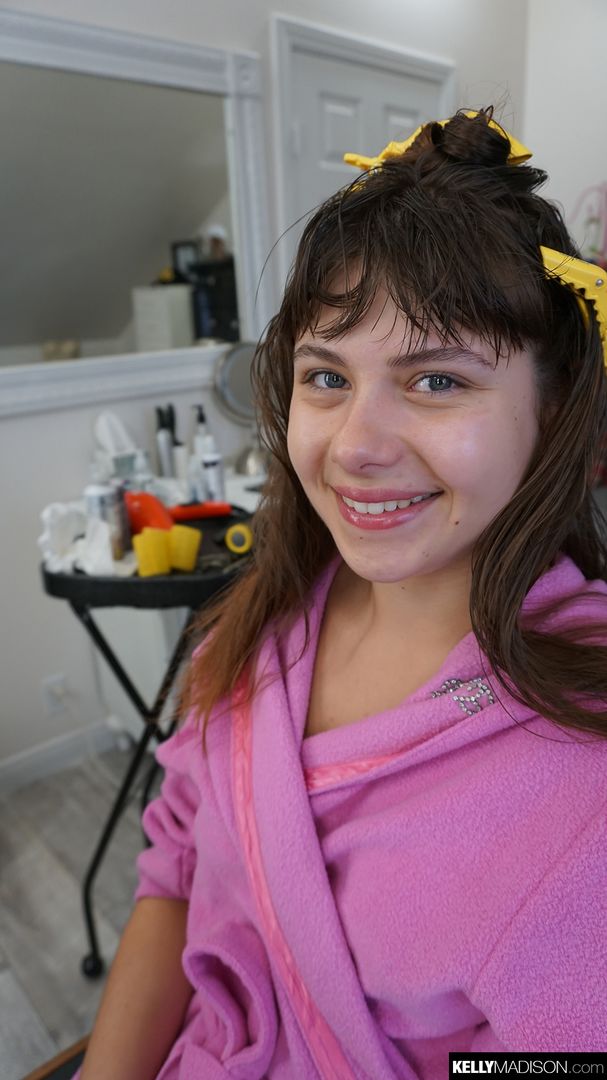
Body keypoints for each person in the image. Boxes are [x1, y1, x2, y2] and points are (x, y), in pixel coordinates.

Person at [78, 108, 607, 1079]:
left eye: (437, 381)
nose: (354, 446)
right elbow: (174, 875)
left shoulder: (583, 774)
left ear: (558, 408)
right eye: (325, 375)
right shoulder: (255, 631)